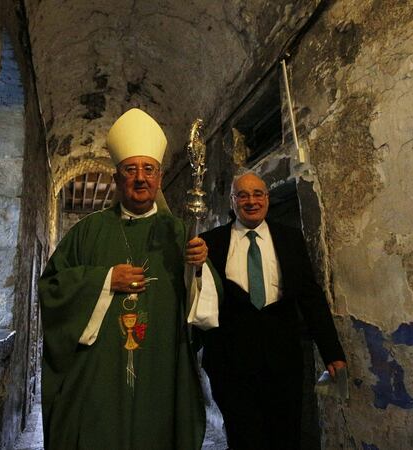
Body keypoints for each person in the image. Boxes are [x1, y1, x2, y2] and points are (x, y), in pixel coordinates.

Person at [38, 108, 219, 450]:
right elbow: (51, 288)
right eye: (130, 170)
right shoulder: (87, 232)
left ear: (159, 178)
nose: (140, 178)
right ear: (117, 179)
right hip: (98, 376)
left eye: (148, 170)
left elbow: (204, 309)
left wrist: (198, 268)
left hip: (161, 371)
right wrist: (104, 280)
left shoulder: (178, 232)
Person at [199, 172, 347, 450]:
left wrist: (332, 352)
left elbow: (310, 296)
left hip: (283, 363)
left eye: (257, 194)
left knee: (286, 436)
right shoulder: (211, 243)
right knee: (244, 439)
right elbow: (199, 300)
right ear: (232, 201)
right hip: (231, 367)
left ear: (267, 199)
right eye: (242, 195)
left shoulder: (290, 239)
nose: (251, 201)